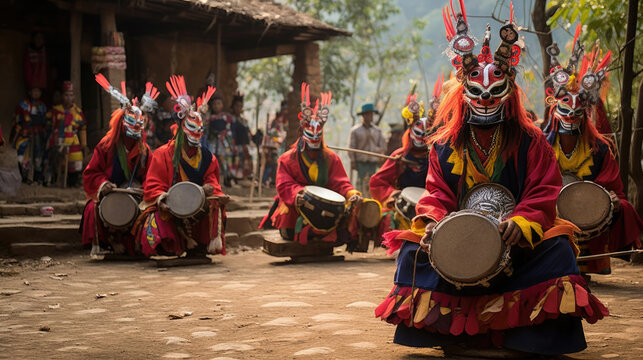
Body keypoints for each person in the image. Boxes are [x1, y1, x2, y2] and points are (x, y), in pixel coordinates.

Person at [375, 4, 608, 356]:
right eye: (477, 92)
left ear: (509, 90)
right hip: (461, 238)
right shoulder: (443, 146)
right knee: (410, 251)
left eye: (494, 90)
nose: (485, 98)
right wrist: (433, 224)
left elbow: (544, 191)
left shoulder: (532, 142)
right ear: (462, 93)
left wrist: (523, 221)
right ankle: (454, 334)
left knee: (559, 249)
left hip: (518, 241)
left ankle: (521, 339)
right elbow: (436, 193)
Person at [542, 26, 642, 275]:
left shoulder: (598, 150)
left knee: (618, 206)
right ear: (554, 109)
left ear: (585, 114)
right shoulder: (541, 145)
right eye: (565, 107)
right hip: (549, 209)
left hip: (585, 210)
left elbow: (611, 186)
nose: (571, 115)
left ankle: (585, 263)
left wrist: (609, 200)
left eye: (578, 111)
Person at [259, 82, 363, 248]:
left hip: (325, 207)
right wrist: (299, 194)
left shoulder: (331, 158)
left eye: (318, 136)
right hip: (298, 205)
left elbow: (340, 182)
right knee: (290, 221)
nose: (314, 140)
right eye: (310, 136)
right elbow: (284, 185)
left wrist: (351, 193)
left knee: (347, 213)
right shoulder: (287, 159)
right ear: (302, 134)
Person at [137, 75, 228, 258]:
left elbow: (212, 179)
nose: (196, 135)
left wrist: (212, 190)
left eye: (199, 131)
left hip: (198, 204)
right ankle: (170, 245)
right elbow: (153, 186)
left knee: (215, 206)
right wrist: (162, 199)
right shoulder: (163, 154)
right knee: (154, 217)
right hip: (170, 207)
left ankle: (200, 246)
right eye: (192, 130)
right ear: (180, 128)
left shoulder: (208, 158)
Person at [80, 74, 155, 256]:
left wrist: (145, 190)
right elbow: (91, 173)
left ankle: (139, 245)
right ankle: (106, 243)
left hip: (136, 196)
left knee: (152, 211)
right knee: (93, 209)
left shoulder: (144, 150)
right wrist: (103, 184)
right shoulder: (106, 146)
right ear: (122, 123)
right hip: (109, 194)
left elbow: (152, 177)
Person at [370, 76, 443, 240]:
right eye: (417, 133)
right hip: (402, 203)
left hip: (432, 204)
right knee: (390, 218)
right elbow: (377, 181)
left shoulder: (437, 155)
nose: (421, 138)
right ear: (409, 132)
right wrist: (393, 194)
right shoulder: (399, 156)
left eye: (426, 135)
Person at [47, 81, 87, 187]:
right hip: (60, 141)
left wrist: (84, 144)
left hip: (74, 141)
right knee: (59, 163)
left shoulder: (78, 112)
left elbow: (82, 128)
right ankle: (57, 182)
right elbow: (49, 127)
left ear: (74, 96)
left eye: (71, 95)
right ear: (61, 96)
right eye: (66, 95)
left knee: (75, 163)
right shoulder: (55, 111)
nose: (68, 98)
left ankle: (73, 183)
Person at [11, 87, 49, 184]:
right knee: (22, 155)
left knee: (38, 156)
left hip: (39, 135)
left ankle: (37, 177)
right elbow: (16, 120)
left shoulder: (43, 106)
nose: (36, 93)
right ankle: (24, 177)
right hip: (25, 134)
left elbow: (45, 122)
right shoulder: (23, 105)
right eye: (34, 91)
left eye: (38, 91)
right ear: (29, 92)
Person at [348, 103, 386, 195]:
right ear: (364, 115)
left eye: (372, 114)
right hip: (361, 162)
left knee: (372, 183)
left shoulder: (377, 131)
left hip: (373, 162)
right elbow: (351, 147)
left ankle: (371, 202)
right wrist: (353, 161)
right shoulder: (355, 130)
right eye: (369, 114)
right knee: (360, 183)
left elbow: (383, 147)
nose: (371, 116)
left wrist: (380, 154)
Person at [203, 93, 234, 187]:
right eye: (215, 103)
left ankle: (226, 178)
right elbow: (206, 130)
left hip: (223, 142)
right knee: (212, 160)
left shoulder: (226, 117)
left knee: (224, 160)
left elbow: (229, 130)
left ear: (222, 105)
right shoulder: (209, 117)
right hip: (212, 142)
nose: (216, 106)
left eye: (219, 103)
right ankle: (213, 179)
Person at [261, 101, 288, 187]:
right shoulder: (275, 123)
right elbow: (271, 134)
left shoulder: (284, 124)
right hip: (272, 147)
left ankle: (273, 181)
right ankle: (266, 181)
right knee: (270, 165)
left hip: (280, 146)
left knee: (276, 165)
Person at [229, 92, 252, 180]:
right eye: (236, 106)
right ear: (233, 107)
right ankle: (233, 178)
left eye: (240, 106)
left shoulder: (244, 120)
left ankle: (242, 178)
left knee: (243, 161)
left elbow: (248, 134)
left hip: (243, 145)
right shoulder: (230, 119)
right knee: (235, 161)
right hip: (234, 145)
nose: (238, 108)